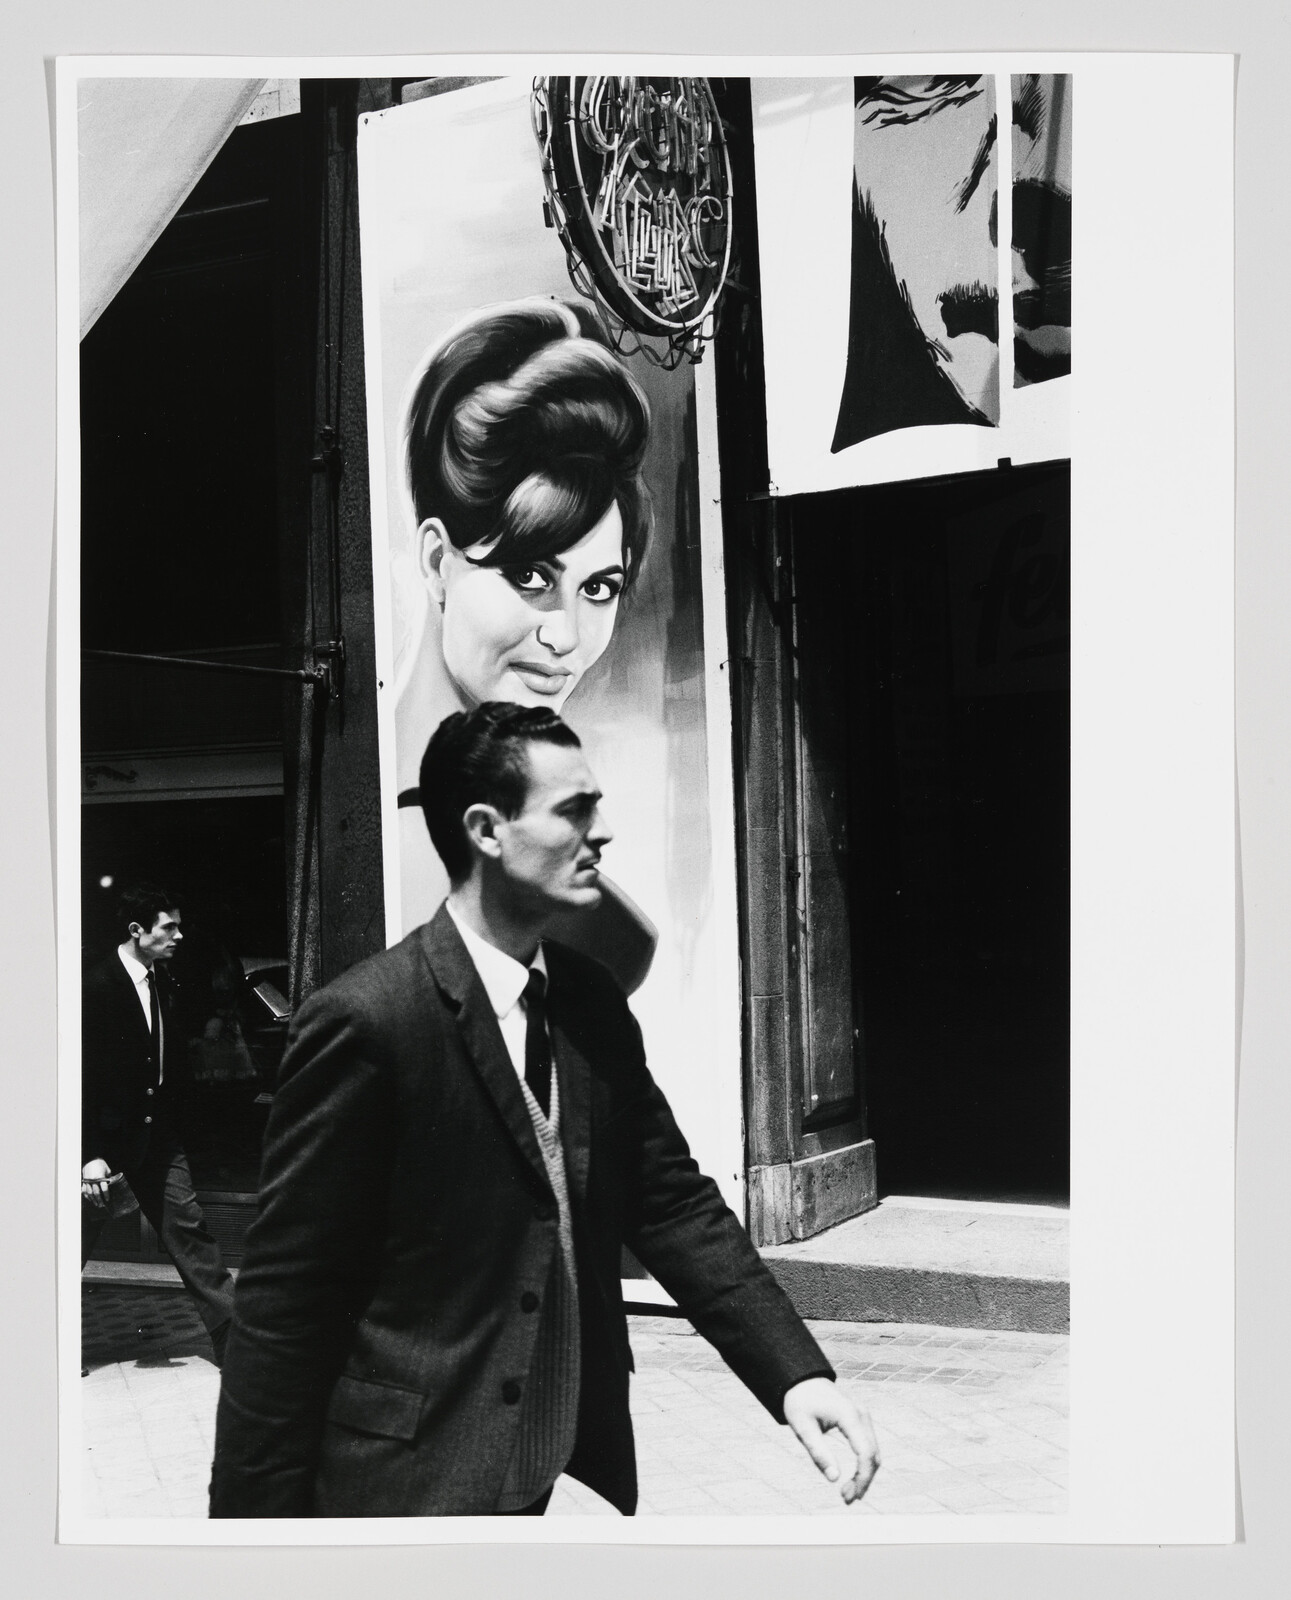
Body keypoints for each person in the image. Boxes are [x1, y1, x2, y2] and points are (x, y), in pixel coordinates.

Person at [209, 703, 880, 1517]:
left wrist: (794, 1373)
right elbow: (286, 1304)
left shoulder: (587, 1000)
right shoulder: (371, 1021)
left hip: (538, 1468)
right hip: (403, 1485)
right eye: (573, 810)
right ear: (487, 830)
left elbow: (668, 1199)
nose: (601, 834)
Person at [391, 298, 658, 991]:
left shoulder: (606, 935)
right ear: (435, 561)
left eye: (598, 588)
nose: (565, 636)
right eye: (530, 574)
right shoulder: (387, 852)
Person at [81, 884, 236, 1364]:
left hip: (158, 1140)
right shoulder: (95, 986)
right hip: (105, 1147)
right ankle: (45, 1346)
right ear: (137, 930)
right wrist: (88, 1154)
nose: (178, 936)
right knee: (73, 1242)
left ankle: (238, 1347)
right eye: (169, 927)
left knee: (192, 1235)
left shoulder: (163, 983)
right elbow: (79, 1075)